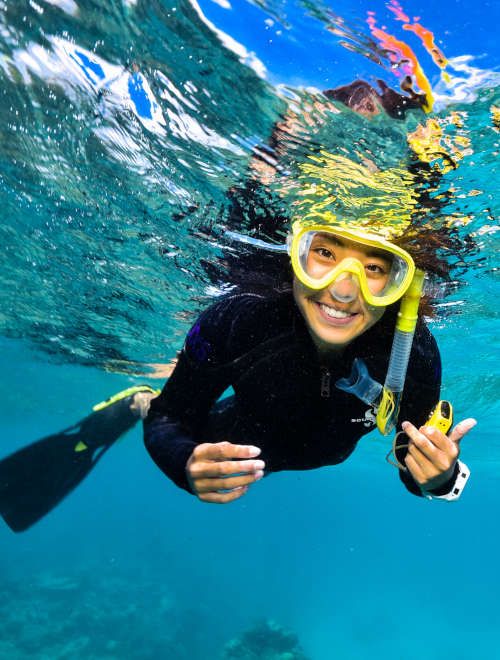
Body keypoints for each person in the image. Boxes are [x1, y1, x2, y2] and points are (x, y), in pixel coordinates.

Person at [142, 213, 476, 504]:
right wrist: (184, 462)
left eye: (373, 268)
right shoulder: (239, 320)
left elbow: (413, 462)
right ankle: (139, 400)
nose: (343, 292)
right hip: (226, 434)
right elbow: (169, 417)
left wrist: (442, 478)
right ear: (296, 256)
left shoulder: (412, 354)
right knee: (155, 407)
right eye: (325, 253)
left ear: (399, 282)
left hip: (308, 453)